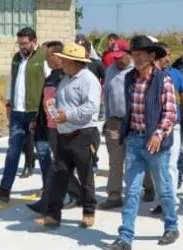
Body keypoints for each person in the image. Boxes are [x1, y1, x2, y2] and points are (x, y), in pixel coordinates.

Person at [102, 35, 180, 250]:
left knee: (164, 188)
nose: (135, 58)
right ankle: (125, 238)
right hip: (135, 140)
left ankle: (172, 226)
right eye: (133, 54)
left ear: (151, 56)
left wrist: (158, 134)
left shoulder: (163, 80)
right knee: (132, 190)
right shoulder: (130, 79)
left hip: (156, 142)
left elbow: (170, 112)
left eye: (139, 55)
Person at [34, 43, 102, 229]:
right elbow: (63, 100)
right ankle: (53, 215)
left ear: (75, 62)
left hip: (83, 135)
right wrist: (54, 106)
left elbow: (91, 106)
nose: (61, 62)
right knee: (60, 176)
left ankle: (88, 211)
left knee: (85, 176)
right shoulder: (65, 79)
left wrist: (68, 115)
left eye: (64, 59)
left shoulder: (89, 80)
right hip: (64, 134)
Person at [0, 27, 48, 202]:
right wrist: (8, 103)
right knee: (13, 152)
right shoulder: (16, 58)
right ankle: (4, 189)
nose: (21, 47)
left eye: (24, 43)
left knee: (43, 151)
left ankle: (49, 188)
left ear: (33, 41)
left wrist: (42, 113)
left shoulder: (43, 57)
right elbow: (11, 80)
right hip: (17, 112)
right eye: (19, 44)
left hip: (35, 113)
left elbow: (49, 85)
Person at [27, 42, 83, 213]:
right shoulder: (51, 76)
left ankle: (51, 201)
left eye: (49, 55)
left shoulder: (65, 78)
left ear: (58, 56)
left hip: (63, 127)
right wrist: (38, 119)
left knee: (59, 166)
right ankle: (78, 194)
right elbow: (43, 100)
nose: (46, 58)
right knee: (58, 165)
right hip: (50, 126)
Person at [148, 44, 183, 216]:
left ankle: (172, 203)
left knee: (171, 166)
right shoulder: (147, 74)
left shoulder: (175, 74)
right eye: (164, 55)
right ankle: (162, 199)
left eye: (169, 55)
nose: (167, 58)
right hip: (152, 129)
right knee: (156, 167)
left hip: (172, 127)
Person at [101, 40, 134, 209]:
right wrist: (106, 120)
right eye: (115, 58)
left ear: (129, 54)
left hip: (134, 122)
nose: (117, 61)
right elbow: (106, 96)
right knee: (115, 160)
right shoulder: (110, 71)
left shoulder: (137, 71)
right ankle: (114, 195)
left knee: (137, 159)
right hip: (114, 122)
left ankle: (148, 187)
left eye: (121, 57)